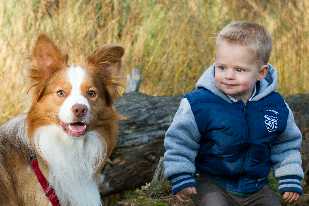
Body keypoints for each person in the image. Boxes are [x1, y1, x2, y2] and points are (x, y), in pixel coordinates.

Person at [163, 21, 303, 206]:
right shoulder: (199, 104)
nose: (228, 75)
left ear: (261, 72)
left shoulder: (275, 106)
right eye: (221, 67)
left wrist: (290, 178)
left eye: (239, 69)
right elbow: (180, 141)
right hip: (212, 183)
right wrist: (180, 175)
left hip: (255, 186)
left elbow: (286, 144)